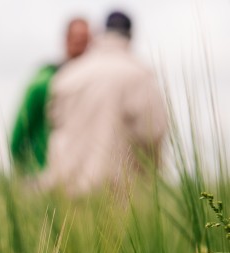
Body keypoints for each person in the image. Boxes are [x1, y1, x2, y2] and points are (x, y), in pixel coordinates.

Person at [44, 11, 167, 197]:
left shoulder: (67, 76)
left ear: (102, 32)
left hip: (66, 193)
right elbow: (153, 133)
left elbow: (53, 125)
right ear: (130, 36)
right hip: (116, 197)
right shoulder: (140, 75)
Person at [10, 18, 90, 174]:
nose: (83, 48)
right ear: (66, 40)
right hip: (41, 173)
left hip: (80, 177)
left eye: (87, 41)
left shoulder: (94, 87)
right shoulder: (43, 84)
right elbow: (18, 137)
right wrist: (25, 173)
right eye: (79, 40)